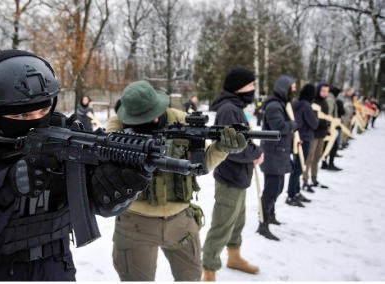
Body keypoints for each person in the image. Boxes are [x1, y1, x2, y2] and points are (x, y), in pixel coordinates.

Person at [0, 50, 150, 281]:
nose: (36, 119)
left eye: (44, 109)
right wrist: (7, 185)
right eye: (21, 116)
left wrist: (121, 188)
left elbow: (99, 204)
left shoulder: (67, 133)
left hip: (58, 267)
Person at [107, 80, 247, 281]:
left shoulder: (182, 121)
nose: (154, 120)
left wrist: (222, 148)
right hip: (135, 224)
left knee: (191, 277)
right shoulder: (117, 127)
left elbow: (202, 164)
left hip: (181, 222)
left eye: (155, 114)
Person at [202, 67, 263, 281]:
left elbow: (242, 139)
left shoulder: (236, 107)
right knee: (222, 225)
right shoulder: (229, 110)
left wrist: (253, 151)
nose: (254, 89)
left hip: (240, 177)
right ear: (240, 87)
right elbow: (232, 147)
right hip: (230, 177)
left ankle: (234, 257)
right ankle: (209, 270)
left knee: (237, 222)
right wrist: (255, 152)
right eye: (251, 85)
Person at [258, 75, 298, 241]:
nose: (294, 91)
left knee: (278, 187)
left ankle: (271, 214)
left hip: (279, 152)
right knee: (271, 189)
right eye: (292, 88)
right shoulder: (275, 106)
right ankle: (263, 223)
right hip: (273, 153)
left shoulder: (281, 104)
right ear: (284, 89)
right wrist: (293, 125)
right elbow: (278, 127)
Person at [286, 84, 318, 207]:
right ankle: (291, 194)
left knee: (297, 165)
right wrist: (317, 118)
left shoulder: (295, 103)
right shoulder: (306, 106)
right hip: (304, 138)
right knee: (298, 167)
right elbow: (313, 123)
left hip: (296, 137)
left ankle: (296, 191)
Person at [303, 82, 330, 192]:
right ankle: (305, 180)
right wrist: (323, 121)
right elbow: (314, 119)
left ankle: (314, 178)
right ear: (318, 90)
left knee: (317, 157)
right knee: (309, 157)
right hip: (313, 134)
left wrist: (326, 125)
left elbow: (326, 117)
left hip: (322, 134)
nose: (325, 93)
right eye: (323, 91)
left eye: (327, 91)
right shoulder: (313, 102)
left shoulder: (325, 103)